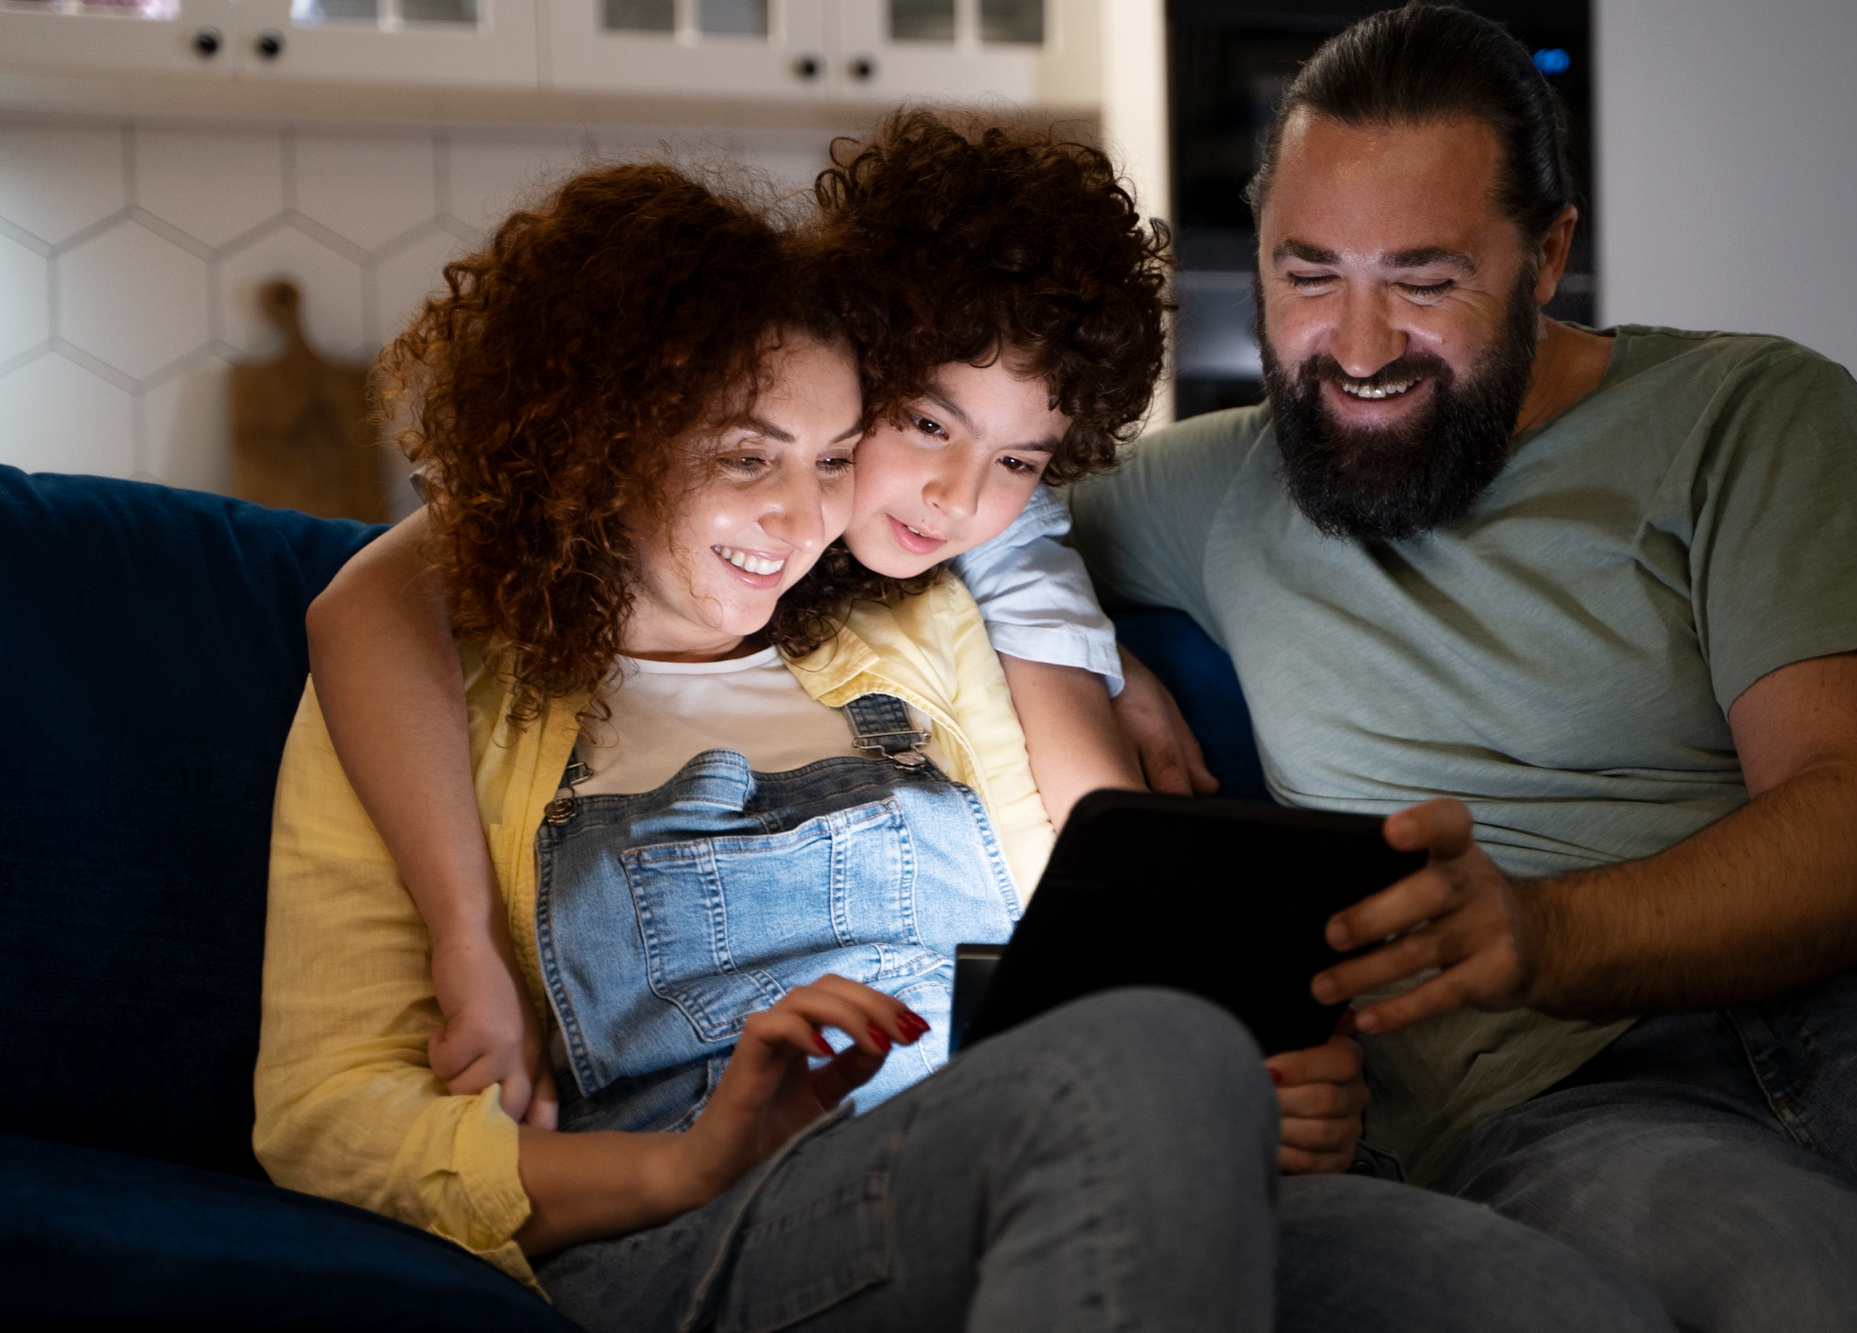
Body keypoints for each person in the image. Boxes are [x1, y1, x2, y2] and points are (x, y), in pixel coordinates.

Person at [269, 127, 1674, 1332]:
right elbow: (329, 1118)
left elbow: (1108, 930)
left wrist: (1264, 1079)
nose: (799, 510)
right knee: (1140, 1064)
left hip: (1045, 1143)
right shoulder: (438, 696)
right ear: (606, 438)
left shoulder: (940, 616)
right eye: (747, 454)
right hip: (688, 1228)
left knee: (1556, 1300)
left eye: (827, 457)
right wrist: (677, 1169)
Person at [1072, 5, 1857, 1330]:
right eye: (1307, 270)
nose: (1360, 343)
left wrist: (1543, 927)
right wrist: (1083, 642)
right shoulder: (1222, 485)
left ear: (1547, 254)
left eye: (1427, 276)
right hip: (1558, 1104)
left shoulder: (1747, 411)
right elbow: (947, 510)